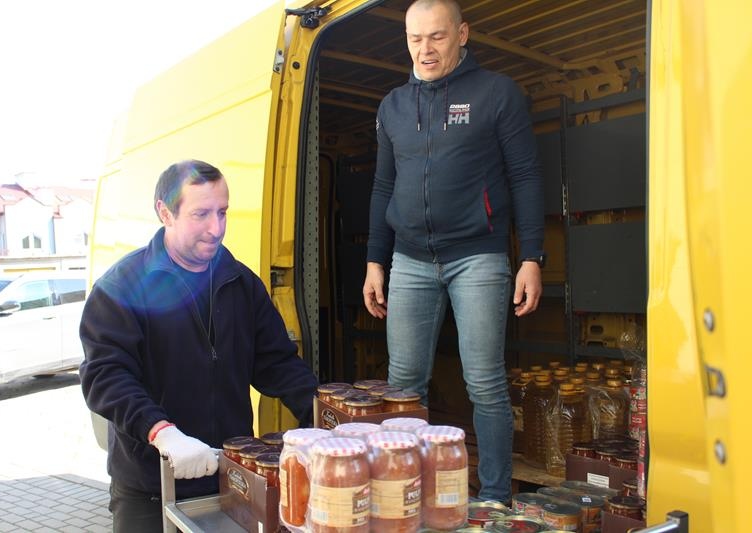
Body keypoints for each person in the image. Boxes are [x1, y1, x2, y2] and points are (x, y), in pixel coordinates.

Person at [362, 0, 544, 503]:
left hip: (477, 256)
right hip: (409, 259)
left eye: (437, 37)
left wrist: (532, 256)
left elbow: (526, 175)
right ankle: (406, 494)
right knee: (404, 385)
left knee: (484, 382)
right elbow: (382, 187)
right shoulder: (392, 106)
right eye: (415, 39)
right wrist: (375, 261)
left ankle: (494, 498)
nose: (425, 49)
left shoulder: (496, 93)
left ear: (462, 34)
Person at [79, 160, 318, 532]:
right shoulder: (121, 287)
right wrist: (162, 432)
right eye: (201, 214)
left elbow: (277, 364)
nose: (216, 228)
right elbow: (105, 376)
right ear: (165, 213)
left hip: (229, 478)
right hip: (150, 486)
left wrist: (321, 417)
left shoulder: (241, 283)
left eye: (222, 212)